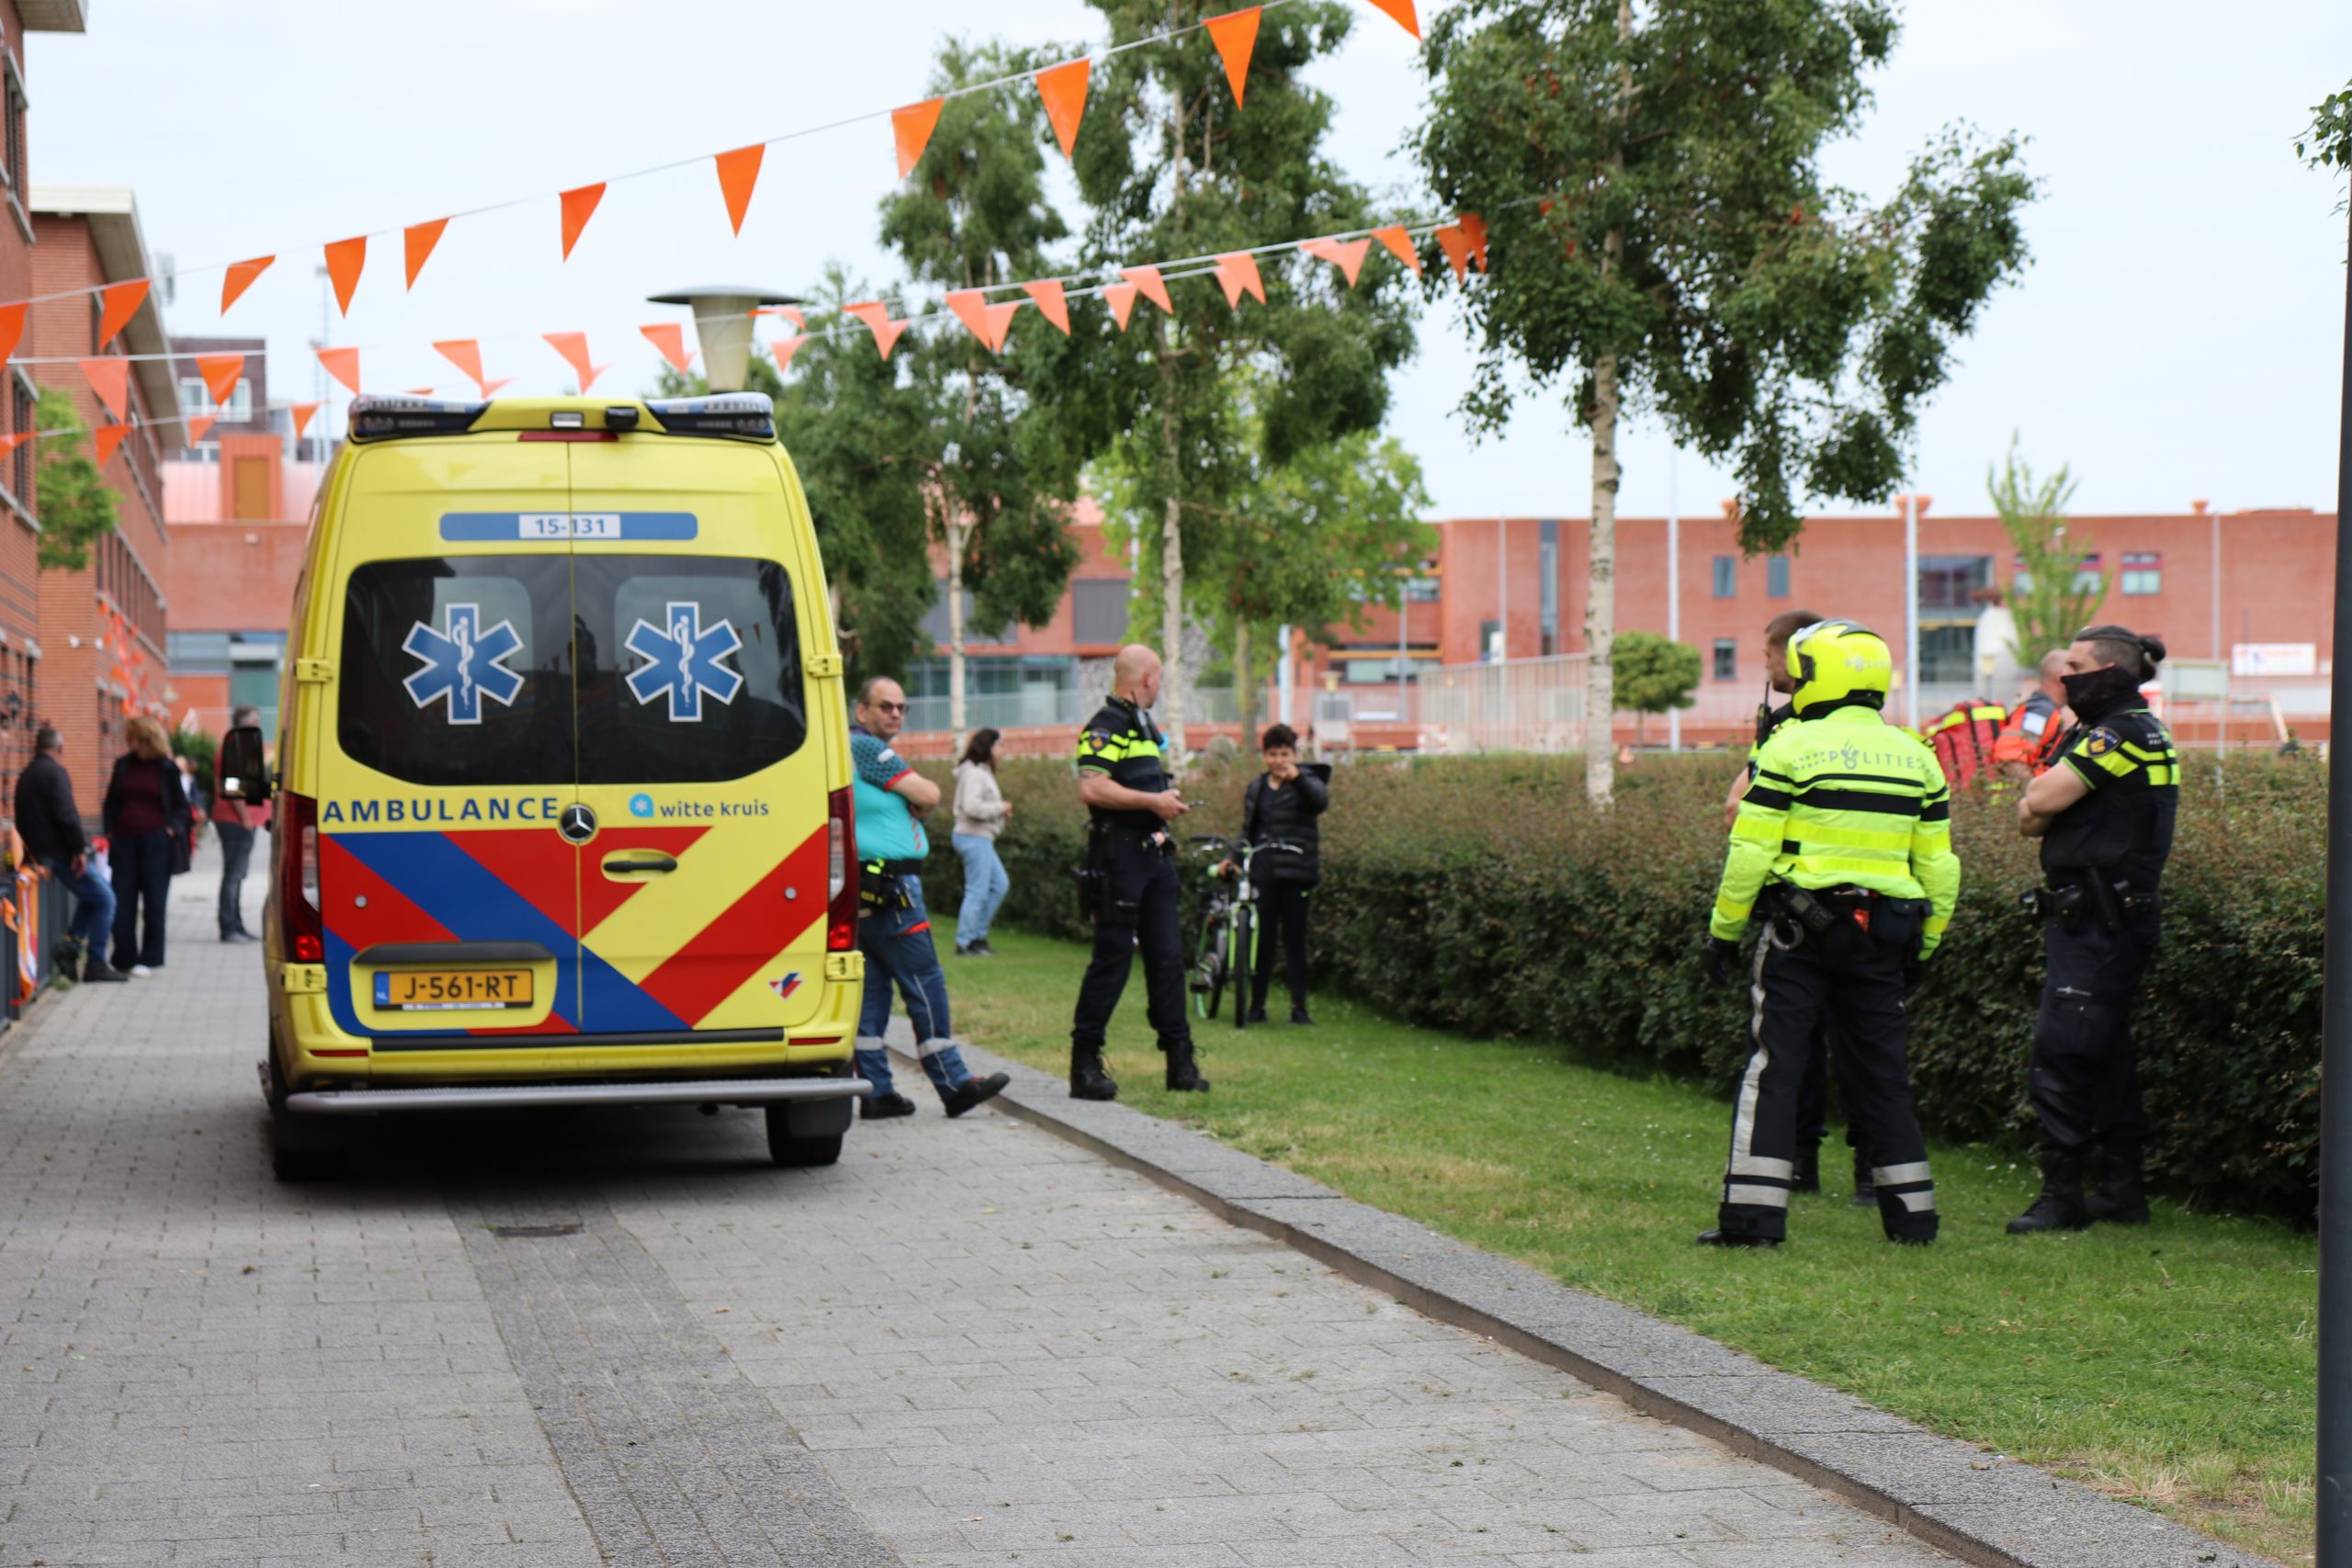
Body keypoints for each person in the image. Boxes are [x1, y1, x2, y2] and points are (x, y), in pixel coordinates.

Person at [1699, 619, 1960, 1248]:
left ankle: (1754, 1222)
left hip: (1801, 934)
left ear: (1818, 676)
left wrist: (1723, 933)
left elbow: (1749, 851)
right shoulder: (1918, 756)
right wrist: (1925, 947)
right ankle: (1913, 1221)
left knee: (1776, 1067)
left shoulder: (1790, 748)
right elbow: (1939, 868)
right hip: (1885, 937)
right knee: (1883, 1074)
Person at [2007, 625, 2177, 1234]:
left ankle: (2063, 1196)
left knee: (2061, 1052)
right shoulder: (2114, 729)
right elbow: (2033, 816)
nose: (2065, 676)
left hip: (2102, 920)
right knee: (2106, 1053)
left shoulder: (2121, 732)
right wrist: (2043, 801)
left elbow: (2042, 796)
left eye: (2077, 665)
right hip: (2101, 916)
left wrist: (2044, 799)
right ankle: (2119, 1190)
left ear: (2109, 670)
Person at [1721, 609, 1873, 1205]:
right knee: (1857, 1045)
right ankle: (1859, 1169)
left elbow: (1741, 810)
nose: (1763, 664)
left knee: (1795, 1045)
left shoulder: (1792, 731)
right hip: (1870, 914)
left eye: (1769, 653)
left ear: (1798, 657)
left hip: (1802, 909)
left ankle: (1799, 1163)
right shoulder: (1867, 726)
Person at [845, 679, 1009, 1121]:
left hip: (868, 887)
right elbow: (930, 795)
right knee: (925, 982)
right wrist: (911, 796)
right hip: (892, 888)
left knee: (874, 992)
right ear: (861, 711)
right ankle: (954, 1083)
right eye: (885, 706)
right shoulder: (865, 748)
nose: (896, 714)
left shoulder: (852, 750)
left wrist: (908, 798)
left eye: (902, 708)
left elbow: (918, 802)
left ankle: (876, 1090)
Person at [1069, 644, 1207, 1100]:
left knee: (1168, 960)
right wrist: (1153, 802)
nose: (1161, 686)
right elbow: (1092, 788)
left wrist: (1163, 797)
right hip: (1120, 858)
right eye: (1160, 678)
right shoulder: (1106, 726)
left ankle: (1180, 1062)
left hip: (1154, 857)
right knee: (1112, 959)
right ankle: (1085, 1064)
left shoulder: (1143, 728)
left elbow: (1137, 782)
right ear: (1147, 678)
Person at [1234, 723, 1328, 1025]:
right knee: (1263, 941)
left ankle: (1299, 1008)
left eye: (1284, 754)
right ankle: (1256, 1006)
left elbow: (1319, 802)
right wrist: (1233, 858)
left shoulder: (1307, 780)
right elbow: (1249, 829)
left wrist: (1297, 779)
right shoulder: (1257, 787)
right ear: (1264, 755)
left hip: (1297, 872)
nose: (1278, 761)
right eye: (1273, 754)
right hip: (1265, 872)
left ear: (1295, 754)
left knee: (1295, 940)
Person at [15, 725, 124, 983]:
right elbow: (66, 815)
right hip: (58, 855)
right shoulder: (55, 774)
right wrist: (78, 850)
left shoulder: (27, 775)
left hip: (37, 854)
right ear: (60, 748)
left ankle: (70, 949)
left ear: (36, 747)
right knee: (106, 899)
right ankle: (96, 963)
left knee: (92, 899)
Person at [102, 716, 191, 977]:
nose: (129, 743)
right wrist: (110, 831)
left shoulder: (166, 768)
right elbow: (110, 803)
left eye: (133, 738)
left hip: (156, 843)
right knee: (122, 902)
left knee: (154, 903)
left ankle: (150, 959)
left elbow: (182, 807)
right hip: (124, 841)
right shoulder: (123, 766)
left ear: (146, 739)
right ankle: (124, 958)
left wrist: (171, 829)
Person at [951, 728, 1012, 958]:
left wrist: (998, 811)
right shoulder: (975, 774)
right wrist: (1001, 807)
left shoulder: (981, 772)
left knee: (999, 885)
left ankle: (976, 936)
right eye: (1001, 745)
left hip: (980, 837)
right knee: (977, 891)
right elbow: (972, 807)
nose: (1003, 751)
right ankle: (965, 942)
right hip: (973, 836)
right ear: (989, 747)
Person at [213, 705, 270, 943]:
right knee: (234, 875)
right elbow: (232, 787)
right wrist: (246, 818)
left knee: (236, 875)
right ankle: (230, 928)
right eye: (255, 723)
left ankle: (236, 926)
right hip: (236, 821)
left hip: (235, 820)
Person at [1992, 650, 2073, 779]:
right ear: (2060, 678)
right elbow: (2011, 758)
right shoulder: (2040, 712)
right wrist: (2036, 794)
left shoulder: (2043, 710)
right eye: (2076, 672)